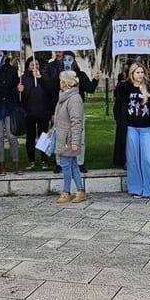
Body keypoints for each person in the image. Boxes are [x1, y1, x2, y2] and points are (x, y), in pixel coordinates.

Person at [112, 62, 150, 198]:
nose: (140, 75)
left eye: (142, 72)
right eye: (137, 72)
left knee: (148, 158)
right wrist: (121, 121)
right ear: (132, 74)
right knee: (133, 159)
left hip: (146, 128)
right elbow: (118, 108)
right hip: (131, 128)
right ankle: (136, 188)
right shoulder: (124, 88)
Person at [53, 70, 86, 203]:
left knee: (66, 165)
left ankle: (67, 191)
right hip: (62, 136)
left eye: (61, 81)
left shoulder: (74, 99)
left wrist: (75, 141)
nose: (60, 83)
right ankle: (80, 191)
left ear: (66, 83)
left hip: (68, 139)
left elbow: (76, 121)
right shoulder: (64, 97)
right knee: (72, 165)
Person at [20, 58, 56, 169]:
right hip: (29, 112)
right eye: (32, 65)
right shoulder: (23, 78)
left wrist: (40, 78)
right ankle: (31, 160)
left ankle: (44, 160)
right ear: (28, 66)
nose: (35, 67)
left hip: (43, 111)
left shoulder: (44, 77)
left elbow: (51, 92)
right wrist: (19, 90)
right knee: (30, 137)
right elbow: (20, 97)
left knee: (43, 136)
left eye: (36, 64)